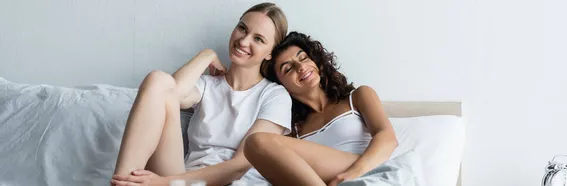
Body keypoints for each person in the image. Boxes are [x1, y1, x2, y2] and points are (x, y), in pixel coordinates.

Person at [111, 3, 291, 186]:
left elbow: (238, 167)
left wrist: (162, 182)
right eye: (242, 28)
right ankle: (121, 182)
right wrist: (206, 55)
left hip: (225, 183)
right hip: (180, 178)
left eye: (259, 39)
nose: (244, 41)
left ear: (271, 53)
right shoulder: (207, 85)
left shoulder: (275, 96)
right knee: (157, 79)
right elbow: (168, 94)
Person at [244, 32, 399, 186]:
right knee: (254, 146)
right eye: (288, 69)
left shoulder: (358, 96)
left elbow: (387, 137)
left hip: (367, 169)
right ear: (282, 87)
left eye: (303, 57)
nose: (301, 67)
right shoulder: (294, 131)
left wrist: (352, 174)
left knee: (257, 142)